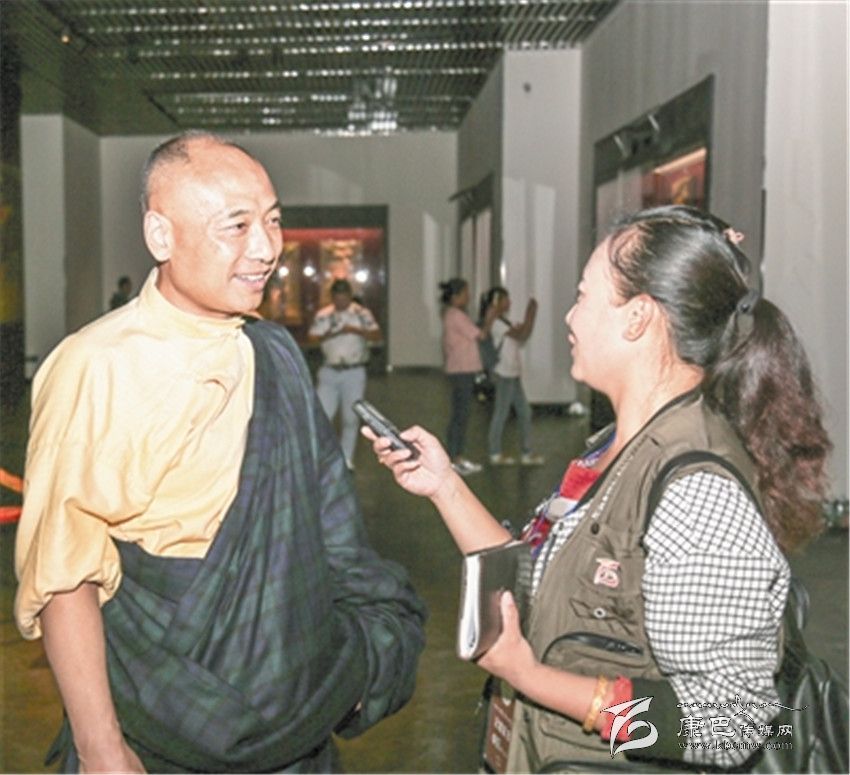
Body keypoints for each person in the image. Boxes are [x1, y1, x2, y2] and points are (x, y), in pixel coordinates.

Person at [14, 131, 427, 773]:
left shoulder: (273, 353)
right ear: (161, 235)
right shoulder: (96, 367)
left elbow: (333, 529)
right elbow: (64, 573)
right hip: (163, 714)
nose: (265, 249)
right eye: (236, 226)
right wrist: (100, 748)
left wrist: (362, 655)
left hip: (299, 712)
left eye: (273, 221)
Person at [366, 205, 830, 771]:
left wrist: (531, 678)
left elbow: (730, 723)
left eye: (583, 297)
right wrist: (443, 485)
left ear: (638, 318)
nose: (569, 317)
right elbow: (534, 581)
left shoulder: (695, 492)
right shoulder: (615, 447)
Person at [307, 278, 382, 471]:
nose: (341, 301)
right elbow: (312, 338)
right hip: (329, 370)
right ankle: (322, 458)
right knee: (322, 416)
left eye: (344, 297)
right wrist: (331, 333)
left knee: (351, 417)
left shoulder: (361, 313)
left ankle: (347, 457)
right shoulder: (324, 315)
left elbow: (376, 335)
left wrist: (355, 330)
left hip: (354, 371)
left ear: (350, 296)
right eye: (337, 298)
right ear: (332, 297)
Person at [480, 287, 544, 467]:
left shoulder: (502, 322)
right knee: (501, 413)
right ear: (497, 301)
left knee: (524, 412)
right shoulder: (496, 323)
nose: (509, 302)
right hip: (504, 373)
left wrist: (529, 316)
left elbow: (521, 334)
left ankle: (526, 452)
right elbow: (523, 334)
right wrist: (531, 313)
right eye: (506, 299)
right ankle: (495, 452)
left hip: (512, 373)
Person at [439, 277, 497, 476]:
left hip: (459, 369)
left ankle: (454, 455)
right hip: (462, 370)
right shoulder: (456, 315)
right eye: (465, 293)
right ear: (456, 296)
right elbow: (480, 335)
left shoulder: (451, 314)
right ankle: (455, 457)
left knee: (460, 414)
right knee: (461, 415)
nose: (468, 297)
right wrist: (490, 318)